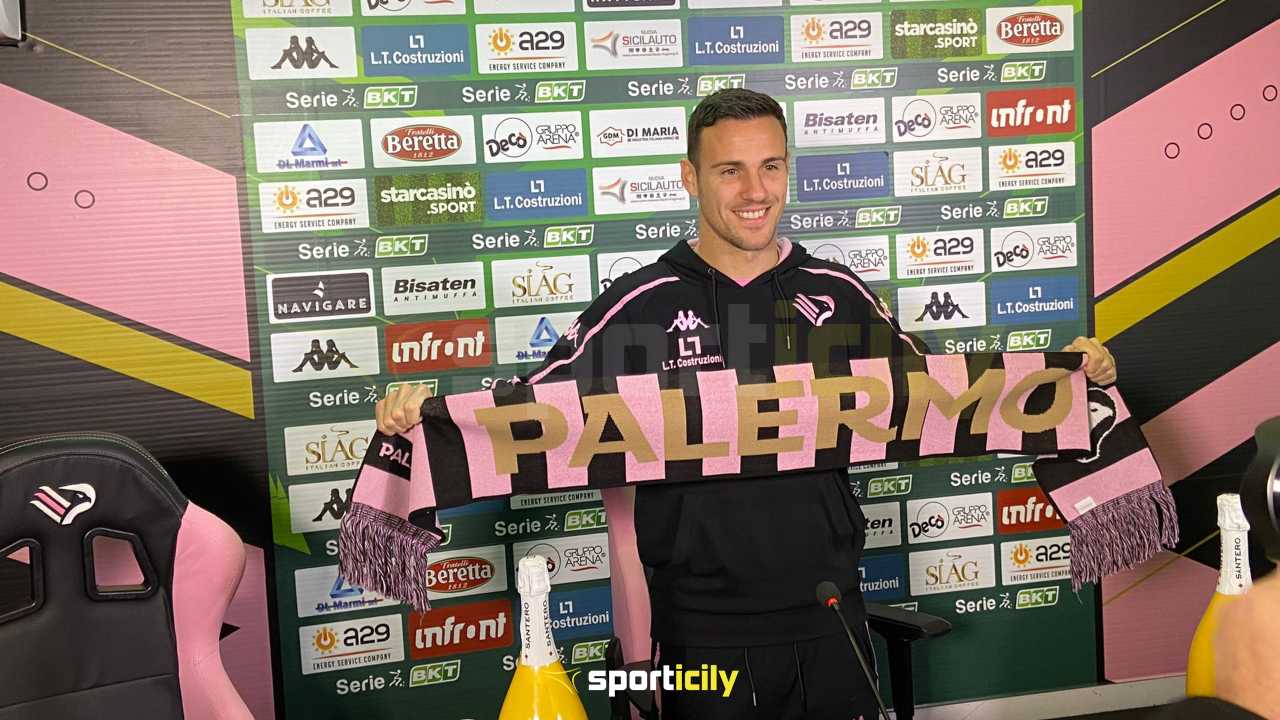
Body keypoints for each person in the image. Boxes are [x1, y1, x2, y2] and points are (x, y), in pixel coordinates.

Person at [376, 88, 1117, 719]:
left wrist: (1071, 379)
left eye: (770, 166)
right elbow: (527, 415)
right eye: (729, 170)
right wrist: (421, 421)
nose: (754, 190)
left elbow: (947, 394)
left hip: (831, 611)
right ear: (690, 178)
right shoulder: (640, 305)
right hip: (699, 632)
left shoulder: (838, 295)